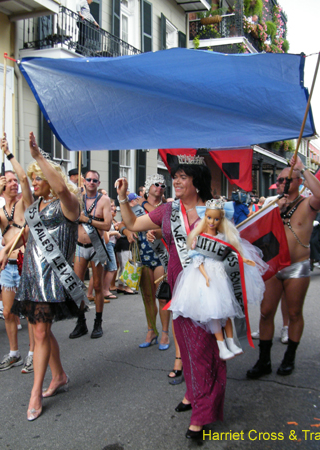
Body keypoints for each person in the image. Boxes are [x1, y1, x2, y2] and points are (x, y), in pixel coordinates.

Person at [116, 155, 222, 440]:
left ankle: (201, 413)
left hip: (204, 287)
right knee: (186, 344)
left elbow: (228, 249)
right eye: (174, 176)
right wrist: (123, 198)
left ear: (196, 182)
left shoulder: (212, 211)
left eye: (182, 177)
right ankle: (192, 393)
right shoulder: (167, 210)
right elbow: (132, 223)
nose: (175, 181)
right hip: (177, 284)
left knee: (202, 348)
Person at [0, 131, 83, 421]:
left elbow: (61, 189)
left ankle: (35, 393)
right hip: (32, 276)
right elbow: (26, 232)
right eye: (33, 178)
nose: (33, 183)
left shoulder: (69, 205)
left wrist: (37, 156)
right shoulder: (34, 208)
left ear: (50, 177)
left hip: (54, 279)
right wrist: (5, 250)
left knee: (41, 332)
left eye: (39, 178)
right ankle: (58, 375)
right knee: (40, 331)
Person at [247, 156, 320, 379]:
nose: (280, 183)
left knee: (293, 313)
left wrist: (302, 167)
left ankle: (289, 358)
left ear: (299, 181)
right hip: (273, 267)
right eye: (279, 180)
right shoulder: (272, 203)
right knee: (265, 312)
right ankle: (264, 361)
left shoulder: (307, 204)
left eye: (285, 179)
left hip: (297, 266)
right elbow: (254, 228)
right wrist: (271, 210)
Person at [167, 198, 266, 360]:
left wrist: (244, 260)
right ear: (204, 217)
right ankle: (222, 346)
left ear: (221, 220)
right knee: (214, 312)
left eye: (216, 218)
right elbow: (197, 260)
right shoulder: (199, 239)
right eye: (209, 217)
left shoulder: (223, 237)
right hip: (207, 278)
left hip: (222, 275)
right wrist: (205, 276)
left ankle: (231, 342)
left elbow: (230, 253)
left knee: (226, 311)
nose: (212, 221)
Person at [0, 135, 35, 372]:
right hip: (7, 268)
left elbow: (25, 177)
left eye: (15, 180)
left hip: (25, 262)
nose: (14, 183)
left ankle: (34, 353)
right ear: (1, 185)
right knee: (7, 312)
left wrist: (8, 153)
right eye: (9, 181)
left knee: (31, 313)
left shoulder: (25, 202)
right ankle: (14, 352)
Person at [120, 175, 170, 349]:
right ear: (149, 187)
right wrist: (126, 232)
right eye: (156, 184)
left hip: (161, 257)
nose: (159, 187)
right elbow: (121, 223)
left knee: (162, 297)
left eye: (163, 185)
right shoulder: (137, 208)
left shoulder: (166, 208)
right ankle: (151, 330)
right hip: (143, 256)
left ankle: (164, 332)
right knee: (148, 297)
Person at [69, 169, 112, 340]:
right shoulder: (77, 197)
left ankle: (98, 323)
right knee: (77, 287)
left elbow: (107, 225)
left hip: (97, 247)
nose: (92, 182)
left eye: (95, 180)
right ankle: (81, 323)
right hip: (80, 246)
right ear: (84, 181)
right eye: (89, 180)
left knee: (98, 287)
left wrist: (87, 220)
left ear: (98, 183)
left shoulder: (105, 201)